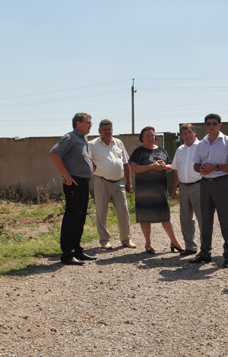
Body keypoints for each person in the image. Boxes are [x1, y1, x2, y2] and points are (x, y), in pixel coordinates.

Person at [190, 113, 228, 268]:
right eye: (208, 124)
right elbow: (195, 165)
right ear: (205, 126)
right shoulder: (201, 144)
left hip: (221, 184)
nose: (211, 126)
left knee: (225, 220)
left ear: (220, 125)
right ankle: (205, 253)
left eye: (214, 123)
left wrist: (216, 167)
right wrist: (202, 169)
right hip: (205, 184)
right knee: (205, 221)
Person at [49, 113, 96, 266]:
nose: (90, 124)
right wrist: (66, 175)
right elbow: (54, 153)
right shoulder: (70, 137)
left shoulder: (84, 139)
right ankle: (67, 254)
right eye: (87, 122)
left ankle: (77, 250)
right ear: (78, 123)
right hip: (74, 183)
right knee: (72, 218)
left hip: (84, 182)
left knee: (81, 217)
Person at [129, 126, 183, 254]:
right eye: (147, 135)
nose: (150, 138)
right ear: (142, 138)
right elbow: (134, 168)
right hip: (144, 190)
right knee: (145, 217)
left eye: (152, 135)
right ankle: (148, 244)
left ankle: (174, 242)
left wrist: (165, 166)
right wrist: (152, 166)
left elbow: (171, 166)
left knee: (165, 216)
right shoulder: (138, 151)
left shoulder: (161, 150)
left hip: (160, 189)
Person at [89, 119, 136, 250]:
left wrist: (129, 182)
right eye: (104, 130)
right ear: (99, 131)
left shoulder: (118, 143)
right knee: (101, 211)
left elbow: (126, 163)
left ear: (112, 129)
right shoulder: (92, 144)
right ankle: (104, 241)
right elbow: (85, 159)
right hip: (101, 181)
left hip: (119, 182)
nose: (107, 132)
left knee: (124, 211)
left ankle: (126, 239)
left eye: (109, 129)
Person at [171, 124, 202, 256]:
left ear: (194, 132)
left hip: (199, 185)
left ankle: (206, 248)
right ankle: (190, 246)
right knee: (185, 218)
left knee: (202, 218)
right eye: (184, 133)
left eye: (189, 132)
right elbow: (175, 170)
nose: (187, 135)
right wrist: (174, 188)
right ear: (181, 135)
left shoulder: (202, 147)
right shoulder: (180, 149)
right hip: (183, 187)